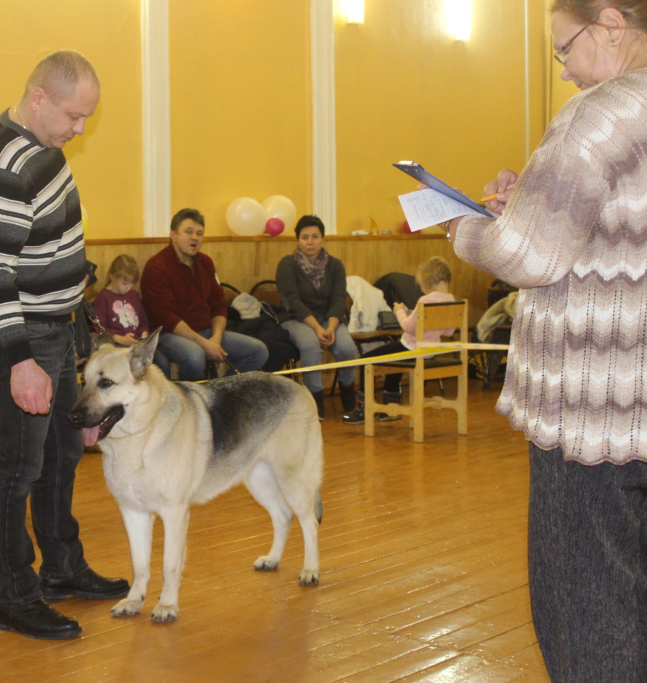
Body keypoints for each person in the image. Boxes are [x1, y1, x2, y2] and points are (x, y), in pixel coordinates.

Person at [444, 2, 647, 678]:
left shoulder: (604, 112)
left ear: (612, 25)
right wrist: (527, 196)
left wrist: (463, 225)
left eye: (565, 50)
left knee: (586, 615)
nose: (562, 73)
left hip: (592, 412)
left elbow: (530, 255)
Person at [0, 49, 129, 641]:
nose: (80, 129)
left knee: (60, 454)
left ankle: (62, 569)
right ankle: (14, 596)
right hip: (21, 337)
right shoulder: (6, 168)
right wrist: (21, 361)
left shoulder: (39, 145)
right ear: (39, 98)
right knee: (16, 468)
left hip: (56, 329)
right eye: (74, 115)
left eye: (87, 116)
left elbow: (47, 248)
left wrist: (75, 332)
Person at [140, 208, 269, 380]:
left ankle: (220, 393)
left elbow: (218, 305)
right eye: (188, 232)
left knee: (258, 351)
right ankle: (189, 404)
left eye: (199, 233)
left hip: (207, 332)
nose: (195, 237)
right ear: (173, 235)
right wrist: (203, 344)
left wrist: (216, 338)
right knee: (194, 356)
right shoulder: (156, 267)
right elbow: (167, 317)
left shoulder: (206, 262)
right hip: (169, 335)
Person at [344, 257, 456, 425]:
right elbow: (449, 331)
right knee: (393, 358)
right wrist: (415, 315)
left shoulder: (425, 301)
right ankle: (391, 405)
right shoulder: (452, 301)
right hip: (430, 352)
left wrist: (398, 311)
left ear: (429, 282)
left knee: (367, 360)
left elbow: (408, 328)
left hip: (412, 348)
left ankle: (364, 408)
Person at [275, 215, 360, 422]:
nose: (310, 242)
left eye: (315, 237)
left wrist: (330, 327)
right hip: (297, 319)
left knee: (348, 349)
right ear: (297, 240)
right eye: (305, 237)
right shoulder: (287, 265)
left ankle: (350, 396)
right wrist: (317, 328)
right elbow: (293, 302)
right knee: (311, 345)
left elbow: (339, 299)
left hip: (329, 319)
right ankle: (315, 402)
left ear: (323, 239)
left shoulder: (335, 265)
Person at [92, 254, 149, 347]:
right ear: (112, 277)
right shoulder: (103, 297)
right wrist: (119, 339)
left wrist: (144, 332)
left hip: (136, 342)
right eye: (125, 283)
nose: (129, 287)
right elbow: (99, 327)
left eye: (132, 283)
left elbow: (143, 321)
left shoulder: (134, 295)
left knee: (160, 359)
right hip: (115, 344)